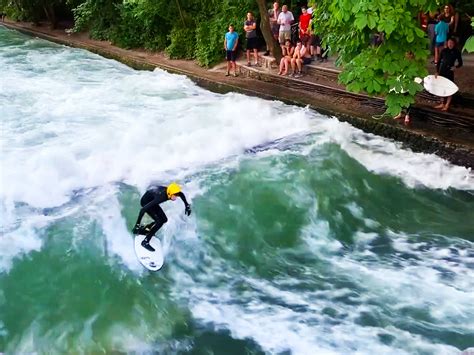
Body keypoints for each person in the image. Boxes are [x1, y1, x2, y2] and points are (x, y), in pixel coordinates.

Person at [132, 183, 191, 252]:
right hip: (145, 202)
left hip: (152, 200)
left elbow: (181, 194)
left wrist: (187, 205)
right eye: (174, 195)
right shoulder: (161, 197)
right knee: (159, 222)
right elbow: (143, 210)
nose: (175, 197)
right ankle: (145, 242)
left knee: (164, 219)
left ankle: (147, 228)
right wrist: (137, 224)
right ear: (169, 194)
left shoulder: (170, 192)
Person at [435, 37, 463, 111]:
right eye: (449, 43)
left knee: (449, 88)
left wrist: (455, 67)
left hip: (450, 72)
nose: (450, 44)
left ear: (454, 44)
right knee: (441, 87)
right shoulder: (444, 51)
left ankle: (447, 104)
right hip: (442, 71)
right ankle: (442, 103)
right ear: (447, 43)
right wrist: (437, 72)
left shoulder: (456, 52)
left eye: (452, 43)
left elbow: (460, 63)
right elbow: (438, 62)